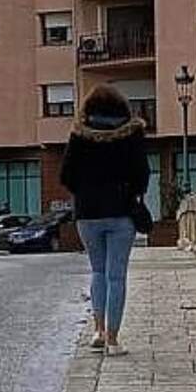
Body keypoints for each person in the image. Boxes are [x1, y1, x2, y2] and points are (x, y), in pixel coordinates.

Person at [60, 83, 149, 357]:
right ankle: (113, 340)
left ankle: (97, 330)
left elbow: (65, 175)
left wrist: (86, 191)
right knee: (116, 275)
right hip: (122, 212)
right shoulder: (132, 134)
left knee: (97, 271)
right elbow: (142, 174)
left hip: (88, 214)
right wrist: (128, 191)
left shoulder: (79, 135)